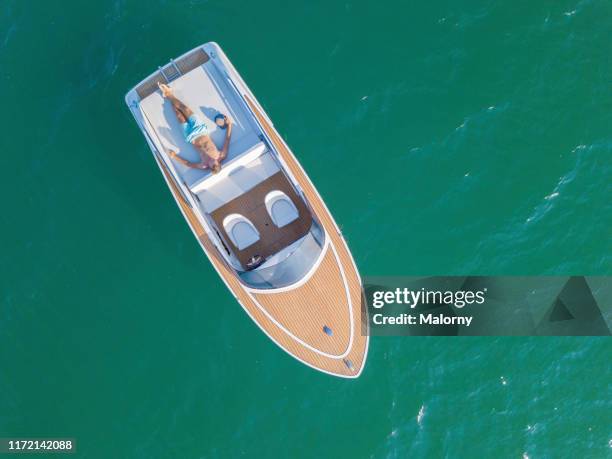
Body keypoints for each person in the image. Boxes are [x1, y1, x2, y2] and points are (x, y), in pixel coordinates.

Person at [158, 82, 233, 174]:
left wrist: (174, 156)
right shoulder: (221, 155)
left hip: (190, 136)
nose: (212, 162)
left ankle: (169, 96)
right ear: (218, 163)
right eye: (215, 163)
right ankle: (169, 94)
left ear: (210, 167)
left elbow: (188, 164)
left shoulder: (204, 165)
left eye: (212, 165)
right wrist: (229, 125)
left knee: (178, 114)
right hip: (201, 130)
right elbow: (227, 140)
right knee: (186, 109)